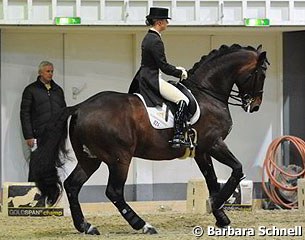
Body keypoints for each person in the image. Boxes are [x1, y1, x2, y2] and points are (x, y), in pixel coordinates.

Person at [128, 7, 189, 148]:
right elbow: (163, 66)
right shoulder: (155, 40)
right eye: (166, 21)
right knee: (183, 99)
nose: (167, 23)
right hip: (152, 79)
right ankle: (178, 136)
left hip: (145, 76)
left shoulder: (148, 37)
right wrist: (180, 72)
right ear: (159, 22)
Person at [20, 61, 66, 181]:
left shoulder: (58, 91)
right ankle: (33, 193)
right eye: (47, 71)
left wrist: (63, 133)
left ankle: (49, 193)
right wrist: (29, 136)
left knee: (52, 164)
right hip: (38, 135)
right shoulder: (31, 90)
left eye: (52, 71)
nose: (50, 74)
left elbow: (63, 112)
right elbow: (25, 114)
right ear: (40, 72)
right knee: (36, 164)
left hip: (55, 135)